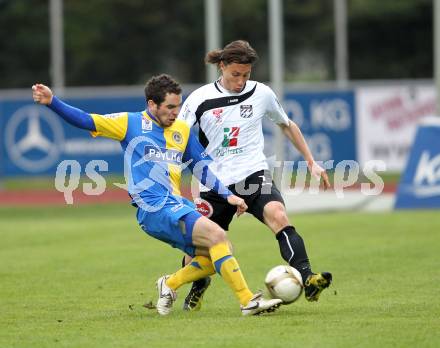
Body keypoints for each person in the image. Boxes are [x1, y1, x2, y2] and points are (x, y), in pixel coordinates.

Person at [31, 74, 282, 316]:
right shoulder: (129, 123)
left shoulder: (182, 131)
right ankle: (248, 302)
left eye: (178, 106)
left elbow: (201, 168)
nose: (176, 112)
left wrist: (227, 195)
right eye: (170, 107)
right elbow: (86, 120)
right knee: (217, 235)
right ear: (152, 104)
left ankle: (170, 283)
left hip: (175, 204)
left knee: (220, 249)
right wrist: (53, 102)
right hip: (153, 207)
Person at [178, 40, 332, 311]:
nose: (240, 81)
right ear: (222, 66)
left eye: (246, 75)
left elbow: (286, 124)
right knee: (201, 249)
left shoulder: (261, 93)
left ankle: (308, 279)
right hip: (214, 183)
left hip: (253, 174)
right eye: (235, 74)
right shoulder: (199, 99)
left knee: (279, 216)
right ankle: (197, 287)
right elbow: (177, 137)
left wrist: (311, 161)